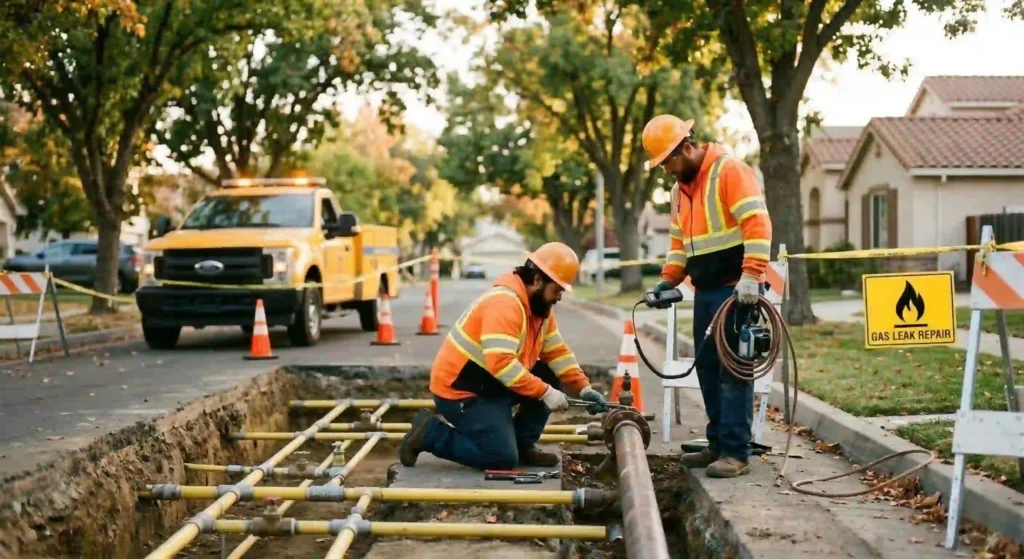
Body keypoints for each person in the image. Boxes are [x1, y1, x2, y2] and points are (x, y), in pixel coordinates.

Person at [398, 242, 609, 470]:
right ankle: (429, 433)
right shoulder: (504, 304)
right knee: (500, 457)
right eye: (557, 290)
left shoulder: (540, 310)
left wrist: (583, 388)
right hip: (461, 391)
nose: (558, 297)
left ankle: (522, 445)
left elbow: (558, 353)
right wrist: (545, 393)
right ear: (538, 280)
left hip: (489, 383)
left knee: (548, 374)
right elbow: (502, 365)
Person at [642, 114, 773, 478]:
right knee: (708, 368)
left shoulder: (729, 172)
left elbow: (757, 224)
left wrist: (752, 275)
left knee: (733, 370)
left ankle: (735, 452)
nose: (666, 170)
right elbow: (678, 244)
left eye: (668, 161)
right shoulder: (679, 192)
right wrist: (668, 280)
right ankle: (717, 444)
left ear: (687, 147)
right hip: (706, 291)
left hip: (737, 290)